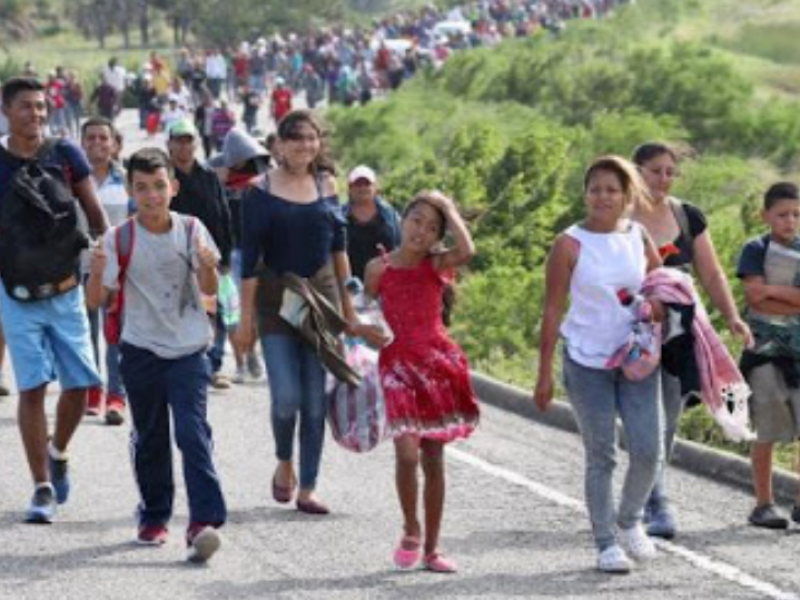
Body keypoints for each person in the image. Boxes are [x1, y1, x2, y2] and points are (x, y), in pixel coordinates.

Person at [86, 147, 226, 562]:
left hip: (188, 349)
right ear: (130, 190)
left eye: (159, 186)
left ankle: (204, 521)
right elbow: (96, 301)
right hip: (141, 349)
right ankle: (154, 514)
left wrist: (206, 266)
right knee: (149, 436)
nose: (152, 196)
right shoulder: (119, 239)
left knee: (190, 430)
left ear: (174, 187)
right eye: (142, 188)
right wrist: (95, 272)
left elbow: (211, 289)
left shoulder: (192, 229)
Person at [235, 109, 374, 515]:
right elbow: (250, 260)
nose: (303, 145)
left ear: (319, 142)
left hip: (322, 300)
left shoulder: (326, 184)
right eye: (294, 138)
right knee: (286, 398)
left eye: (310, 138)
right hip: (277, 302)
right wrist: (245, 321)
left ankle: (308, 487)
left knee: (314, 402)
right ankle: (284, 461)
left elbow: (339, 249)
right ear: (278, 145)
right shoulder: (258, 190)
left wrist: (351, 309)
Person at [534, 155, 664, 573]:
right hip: (586, 361)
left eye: (611, 190)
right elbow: (552, 310)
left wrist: (660, 305)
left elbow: (660, 283)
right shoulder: (569, 244)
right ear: (585, 194)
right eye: (595, 189)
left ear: (627, 195)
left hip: (636, 359)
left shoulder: (638, 236)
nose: (602, 197)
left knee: (648, 449)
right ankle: (606, 543)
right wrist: (543, 375)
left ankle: (629, 520)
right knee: (602, 454)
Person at [631, 142, 753, 539]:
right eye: (655, 170)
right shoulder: (616, 214)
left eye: (670, 171)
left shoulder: (687, 216)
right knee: (640, 416)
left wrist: (732, 317)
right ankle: (639, 495)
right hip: (628, 330)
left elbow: (713, 273)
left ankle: (655, 498)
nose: (663, 178)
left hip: (678, 334)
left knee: (667, 414)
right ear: (636, 171)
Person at [0, 76, 108, 523]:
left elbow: (96, 214)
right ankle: (42, 487)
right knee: (31, 390)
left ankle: (59, 450)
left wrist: (108, 257)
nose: (37, 114)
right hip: (17, 294)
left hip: (67, 291)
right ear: (7, 111)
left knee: (81, 386)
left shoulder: (66, 154)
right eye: (27, 107)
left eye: (42, 107)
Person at [363, 191, 479, 573]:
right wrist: (367, 333)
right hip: (396, 367)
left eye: (432, 228)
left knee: (433, 458)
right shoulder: (377, 269)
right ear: (402, 220)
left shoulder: (436, 265)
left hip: (436, 368)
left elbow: (468, 249)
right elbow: (366, 318)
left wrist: (447, 206)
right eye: (416, 220)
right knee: (407, 453)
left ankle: (432, 548)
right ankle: (410, 527)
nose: (421, 231)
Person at [736, 182, 800, 529]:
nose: (790, 221)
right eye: (782, 214)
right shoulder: (755, 249)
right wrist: (789, 295)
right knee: (767, 426)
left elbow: (765, 294)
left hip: (798, 352)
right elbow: (754, 297)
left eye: (796, 214)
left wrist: (773, 291)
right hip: (763, 353)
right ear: (766, 216)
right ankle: (763, 503)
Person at [167, 119, 233, 390]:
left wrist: (226, 255)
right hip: (173, 256)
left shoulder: (208, 176)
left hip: (209, 256)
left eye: (188, 140)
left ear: (196, 143)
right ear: (169, 144)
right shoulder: (164, 178)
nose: (184, 145)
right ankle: (182, 362)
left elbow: (223, 213)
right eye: (178, 140)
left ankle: (214, 364)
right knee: (177, 311)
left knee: (215, 310)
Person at [209, 129, 269, 384]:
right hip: (228, 252)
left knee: (255, 310)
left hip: (259, 251)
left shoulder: (265, 171)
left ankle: (251, 349)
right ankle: (241, 361)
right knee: (231, 310)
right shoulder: (215, 171)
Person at [81, 117, 130, 424]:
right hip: (80, 270)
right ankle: (92, 391)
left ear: (113, 142)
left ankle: (116, 396)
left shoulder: (127, 180)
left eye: (103, 138)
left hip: (119, 271)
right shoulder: (69, 179)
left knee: (116, 335)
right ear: (81, 142)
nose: (97, 143)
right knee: (86, 336)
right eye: (91, 138)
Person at [344, 165, 401, 282]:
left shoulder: (391, 216)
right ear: (349, 189)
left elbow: (400, 246)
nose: (362, 188)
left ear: (376, 188)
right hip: (349, 285)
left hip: (386, 283)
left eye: (367, 184)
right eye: (358, 184)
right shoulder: (339, 217)